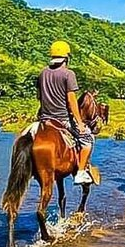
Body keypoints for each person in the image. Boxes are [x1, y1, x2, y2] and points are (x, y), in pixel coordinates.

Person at [37, 40, 93, 184]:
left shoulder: (43, 73)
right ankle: (80, 172)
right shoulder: (69, 74)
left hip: (44, 119)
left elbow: (40, 96)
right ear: (66, 58)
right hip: (62, 119)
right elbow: (71, 101)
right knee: (88, 139)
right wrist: (80, 123)